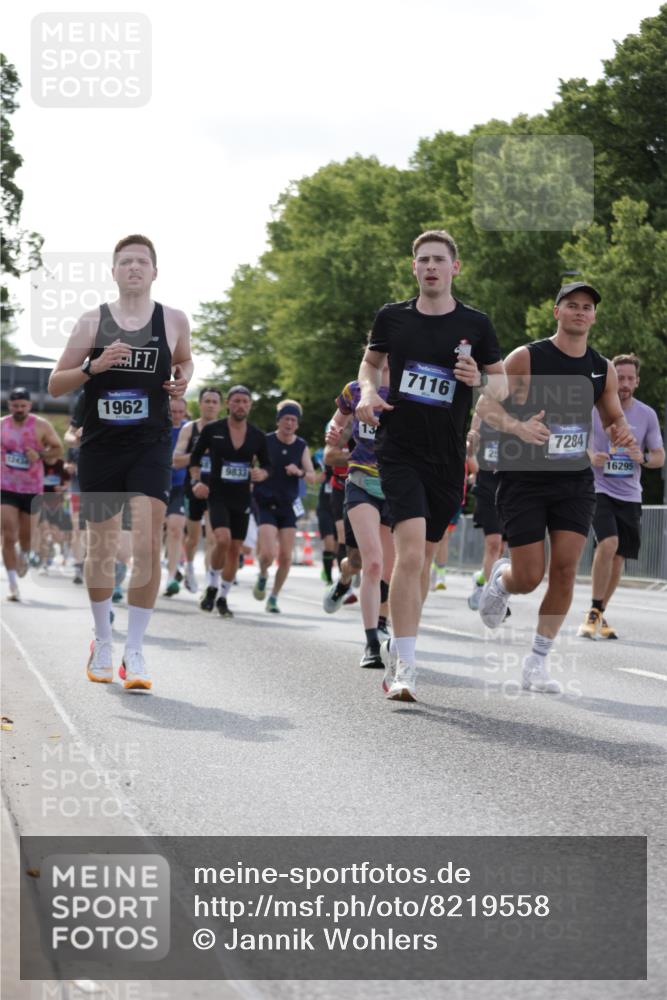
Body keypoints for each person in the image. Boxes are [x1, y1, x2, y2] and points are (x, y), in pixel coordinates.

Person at [356, 229, 505, 701]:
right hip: (398, 449)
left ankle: (404, 644)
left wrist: (478, 377)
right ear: (414, 267)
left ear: (455, 268)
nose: (431, 267)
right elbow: (369, 364)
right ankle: (404, 664)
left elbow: (502, 386)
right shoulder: (393, 318)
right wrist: (367, 391)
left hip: (447, 457)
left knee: (424, 560)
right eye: (423, 260)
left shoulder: (476, 324)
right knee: (412, 552)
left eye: (439, 259)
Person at [48, 234, 193, 691]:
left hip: (150, 443)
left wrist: (181, 383)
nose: (134, 268)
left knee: (148, 543)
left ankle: (135, 650)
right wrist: (95, 365)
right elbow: (55, 384)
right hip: (101, 446)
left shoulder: (173, 319)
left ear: (154, 272)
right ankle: (102, 640)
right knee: (103, 548)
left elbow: (185, 363)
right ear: (113, 272)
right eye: (125, 262)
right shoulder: (93, 321)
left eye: (142, 262)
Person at [476, 282, 635, 693]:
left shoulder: (601, 368)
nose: (580, 312)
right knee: (530, 576)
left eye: (587, 308)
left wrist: (623, 435)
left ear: (594, 317)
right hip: (523, 478)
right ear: (557, 312)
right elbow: (486, 406)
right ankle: (502, 580)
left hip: (574, 480)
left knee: (565, 571)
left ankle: (537, 663)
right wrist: (518, 426)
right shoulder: (527, 357)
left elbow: (614, 416)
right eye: (572, 306)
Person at [577, 353, 664, 639]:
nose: (624, 384)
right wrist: (592, 456)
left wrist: (644, 457)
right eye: (620, 377)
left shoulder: (647, 415)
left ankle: (599, 612)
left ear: (637, 382)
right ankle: (593, 610)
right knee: (608, 543)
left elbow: (659, 457)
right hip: (599, 489)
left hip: (630, 495)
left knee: (619, 558)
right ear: (612, 379)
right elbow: (577, 441)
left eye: (630, 379)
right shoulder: (593, 408)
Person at [324, 367, 395, 668]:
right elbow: (334, 432)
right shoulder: (354, 390)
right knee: (368, 562)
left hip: (395, 486)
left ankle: (381, 623)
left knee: (388, 571)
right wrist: (333, 431)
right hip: (360, 482)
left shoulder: (408, 393)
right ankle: (370, 644)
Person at [189, 385, 270, 618]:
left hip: (242, 497)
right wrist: (196, 482)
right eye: (236, 401)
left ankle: (223, 597)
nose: (240, 405)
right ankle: (212, 584)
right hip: (217, 494)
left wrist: (262, 474)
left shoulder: (257, 436)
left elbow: (268, 465)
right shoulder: (213, 430)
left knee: (235, 549)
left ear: (250, 406)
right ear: (228, 404)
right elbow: (195, 459)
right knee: (222, 540)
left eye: (245, 401)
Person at [252, 400, 316, 613]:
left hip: (288, 506)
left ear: (297, 424)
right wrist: (256, 474)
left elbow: (312, 477)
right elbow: (251, 465)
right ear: (278, 421)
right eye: (286, 419)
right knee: (268, 553)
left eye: (293, 420)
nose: (289, 423)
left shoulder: (301, 446)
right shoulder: (265, 441)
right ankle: (263, 574)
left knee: (286, 556)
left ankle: (273, 597)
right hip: (266, 502)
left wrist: (299, 472)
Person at [1, 387, 63, 600]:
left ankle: (25, 554)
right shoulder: (2, 425)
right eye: (15, 406)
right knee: (8, 533)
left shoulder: (41, 426)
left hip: (32, 489)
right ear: (9, 405)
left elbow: (58, 449)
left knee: (25, 536)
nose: (19, 409)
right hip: (6, 487)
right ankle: (12, 585)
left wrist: (40, 454)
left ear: (30, 405)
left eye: (23, 406)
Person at [173, 386, 222, 592]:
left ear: (220, 406)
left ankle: (211, 582)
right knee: (193, 538)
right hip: (192, 488)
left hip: (218, 490)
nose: (210, 405)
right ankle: (190, 568)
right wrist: (199, 453)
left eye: (214, 402)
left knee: (213, 537)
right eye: (207, 401)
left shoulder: (226, 429)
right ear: (200, 404)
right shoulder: (189, 429)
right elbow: (175, 460)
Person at [466, 414, 506, 610]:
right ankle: (493, 598)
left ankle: (482, 578)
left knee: (501, 549)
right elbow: (470, 450)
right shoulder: (483, 410)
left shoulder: (519, 406)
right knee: (494, 543)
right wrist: (478, 470)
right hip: (487, 487)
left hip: (509, 487)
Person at [163, 396, 189, 596]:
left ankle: (171, 576)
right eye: (173, 412)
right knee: (154, 533)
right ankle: (166, 564)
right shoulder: (158, 427)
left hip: (180, 486)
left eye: (181, 412)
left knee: (175, 529)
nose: (177, 416)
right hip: (156, 485)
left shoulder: (189, 430)